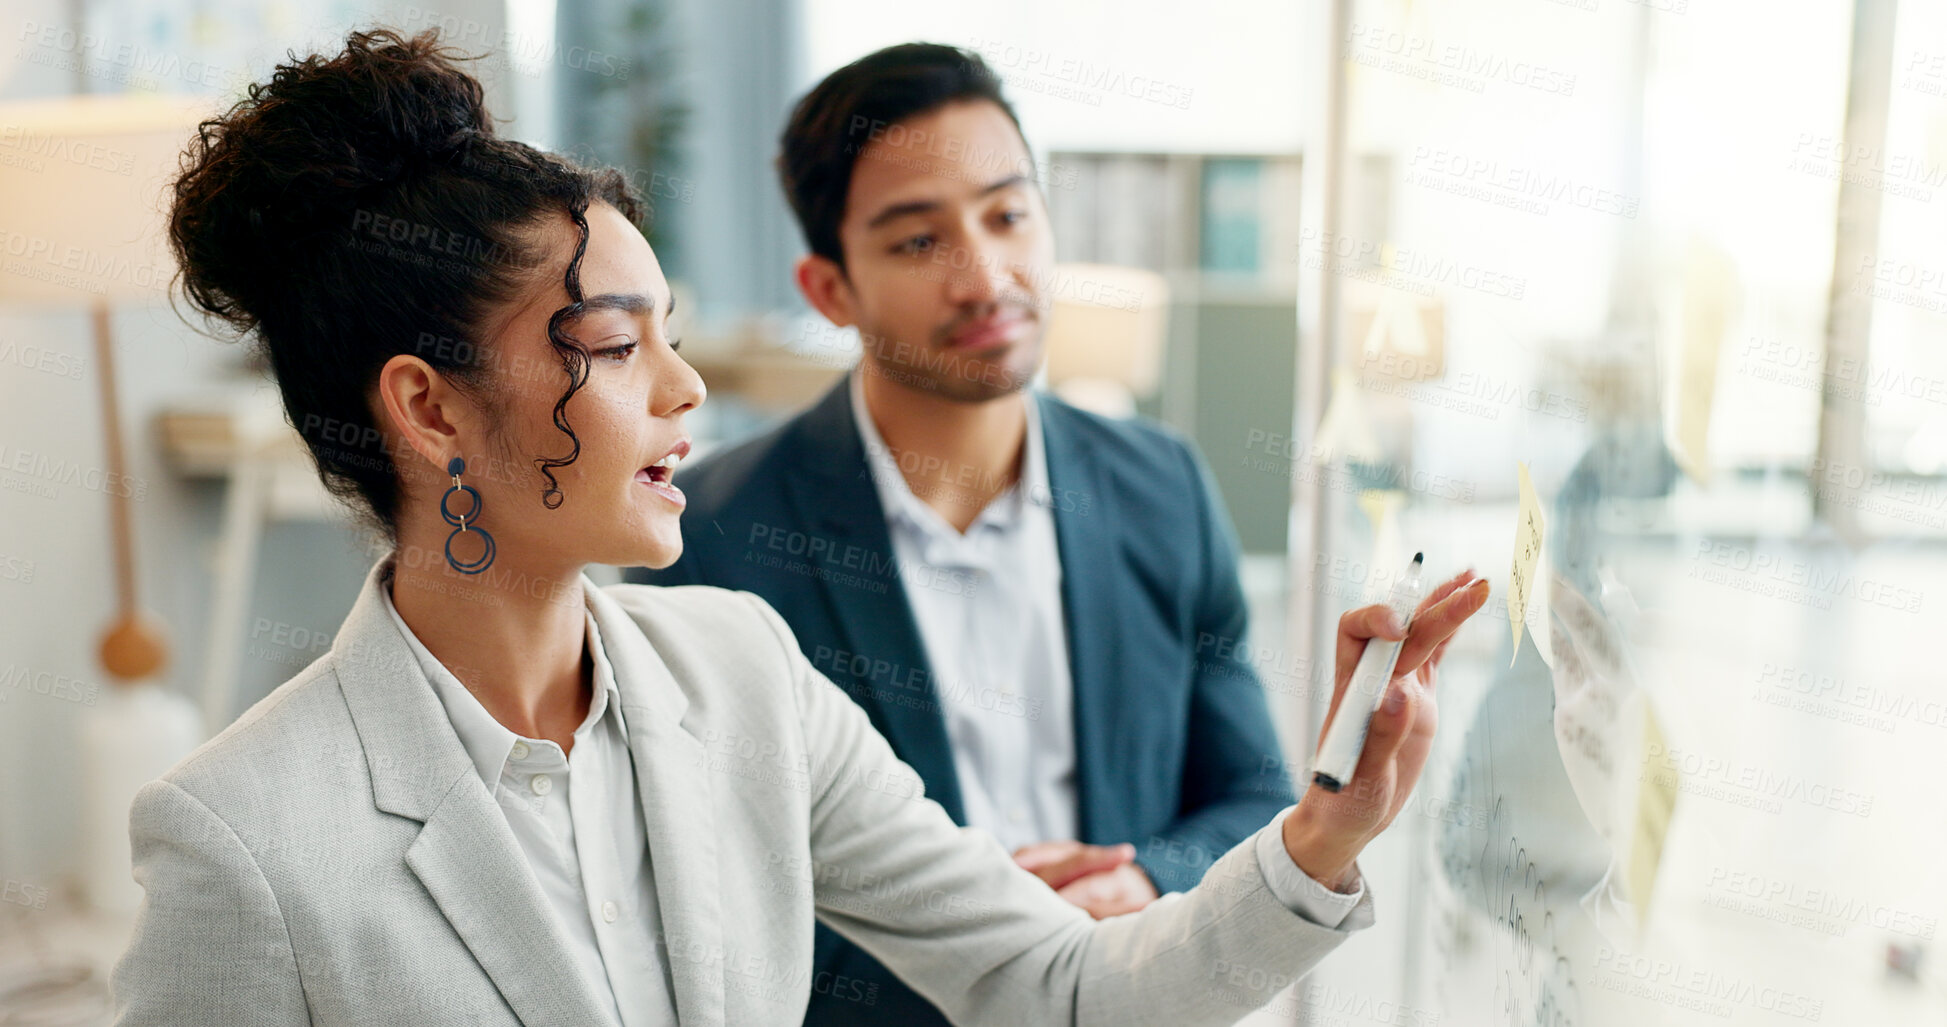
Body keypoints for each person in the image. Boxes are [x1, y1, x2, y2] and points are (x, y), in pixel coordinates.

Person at [110, 28, 1491, 1027]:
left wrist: (1325, 829)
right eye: (611, 342)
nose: (683, 385)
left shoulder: (744, 674)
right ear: (427, 408)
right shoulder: (242, 839)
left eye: (675, 332)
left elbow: (1060, 983)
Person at [625, 43, 1334, 1024]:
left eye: (1008, 215)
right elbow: (696, 898)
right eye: (918, 241)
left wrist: (1137, 886)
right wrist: (979, 930)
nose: (985, 275)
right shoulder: (709, 539)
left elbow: (1253, 797)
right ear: (830, 288)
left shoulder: (1160, 487)